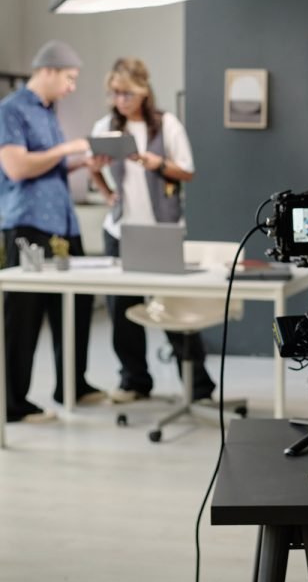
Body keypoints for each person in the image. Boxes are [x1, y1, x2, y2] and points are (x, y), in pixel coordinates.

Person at [89, 57, 215, 404]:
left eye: (127, 93)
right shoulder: (106, 126)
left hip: (162, 229)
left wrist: (153, 161)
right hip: (120, 232)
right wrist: (104, 188)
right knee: (122, 313)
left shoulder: (166, 124)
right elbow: (92, 166)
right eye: (114, 93)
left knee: (175, 308)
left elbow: (186, 172)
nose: (121, 100)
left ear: (143, 91)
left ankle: (198, 386)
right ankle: (134, 380)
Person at [0, 40, 106, 423]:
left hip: (63, 224)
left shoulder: (48, 111)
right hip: (28, 223)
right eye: (69, 78)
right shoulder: (11, 110)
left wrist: (80, 162)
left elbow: (45, 168)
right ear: (47, 70)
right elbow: (16, 168)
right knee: (23, 316)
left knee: (74, 305)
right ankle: (13, 404)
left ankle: (72, 385)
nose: (72, 87)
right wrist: (67, 149)